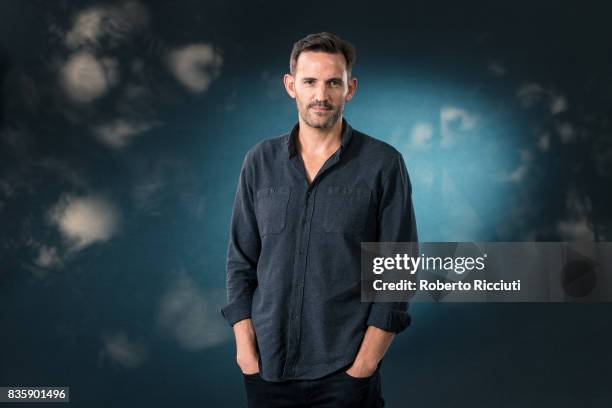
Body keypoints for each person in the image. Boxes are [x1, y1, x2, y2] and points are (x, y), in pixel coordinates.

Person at [220, 31, 418, 408]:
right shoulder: (259, 162)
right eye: (310, 81)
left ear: (350, 88)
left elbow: (399, 270)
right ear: (291, 85)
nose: (321, 95)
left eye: (333, 83)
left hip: (345, 373)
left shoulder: (383, 164)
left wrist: (364, 364)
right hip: (267, 371)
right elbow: (240, 261)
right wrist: (246, 351)